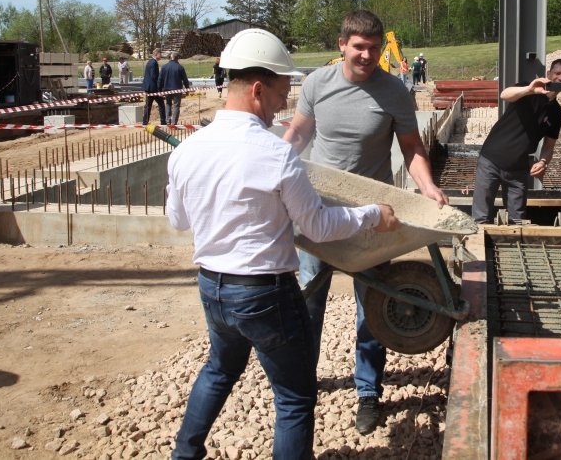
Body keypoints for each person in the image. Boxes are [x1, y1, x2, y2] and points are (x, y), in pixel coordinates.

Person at [167, 28, 402, 460]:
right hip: (264, 293)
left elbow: (179, 220)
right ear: (257, 89)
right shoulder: (276, 155)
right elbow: (317, 226)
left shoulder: (187, 150)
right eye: (280, 91)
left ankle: (184, 455)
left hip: (212, 288)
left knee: (219, 369)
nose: (285, 102)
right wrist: (373, 213)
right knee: (294, 398)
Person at [283, 10, 449, 435]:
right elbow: (299, 137)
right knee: (308, 300)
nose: (367, 55)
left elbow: (411, 149)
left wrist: (427, 186)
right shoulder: (318, 84)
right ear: (342, 44)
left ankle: (368, 392)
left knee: (371, 305)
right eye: (359, 47)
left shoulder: (395, 91)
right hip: (318, 211)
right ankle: (301, 381)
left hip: (373, 216)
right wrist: (272, 167)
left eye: (374, 48)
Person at [471, 59, 561, 225]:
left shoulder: (557, 113)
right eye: (557, 73)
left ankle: (509, 249)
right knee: (481, 218)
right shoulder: (528, 91)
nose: (560, 78)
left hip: (518, 169)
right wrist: (529, 89)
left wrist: (543, 162)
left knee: (517, 220)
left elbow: (548, 146)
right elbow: (505, 95)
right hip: (492, 160)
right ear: (548, 74)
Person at [160, 53, 192, 125]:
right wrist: (187, 89)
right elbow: (185, 80)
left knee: (168, 104)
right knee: (176, 106)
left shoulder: (164, 67)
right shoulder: (180, 67)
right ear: (177, 59)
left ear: (170, 58)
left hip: (167, 89)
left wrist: (159, 89)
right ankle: (174, 123)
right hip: (177, 90)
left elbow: (160, 79)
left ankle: (168, 120)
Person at [141, 48, 166, 126]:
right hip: (153, 88)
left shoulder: (150, 62)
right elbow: (154, 76)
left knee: (148, 106)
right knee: (161, 104)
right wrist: (159, 87)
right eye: (160, 54)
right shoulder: (154, 63)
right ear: (156, 54)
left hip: (149, 88)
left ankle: (145, 122)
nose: (161, 55)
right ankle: (163, 122)